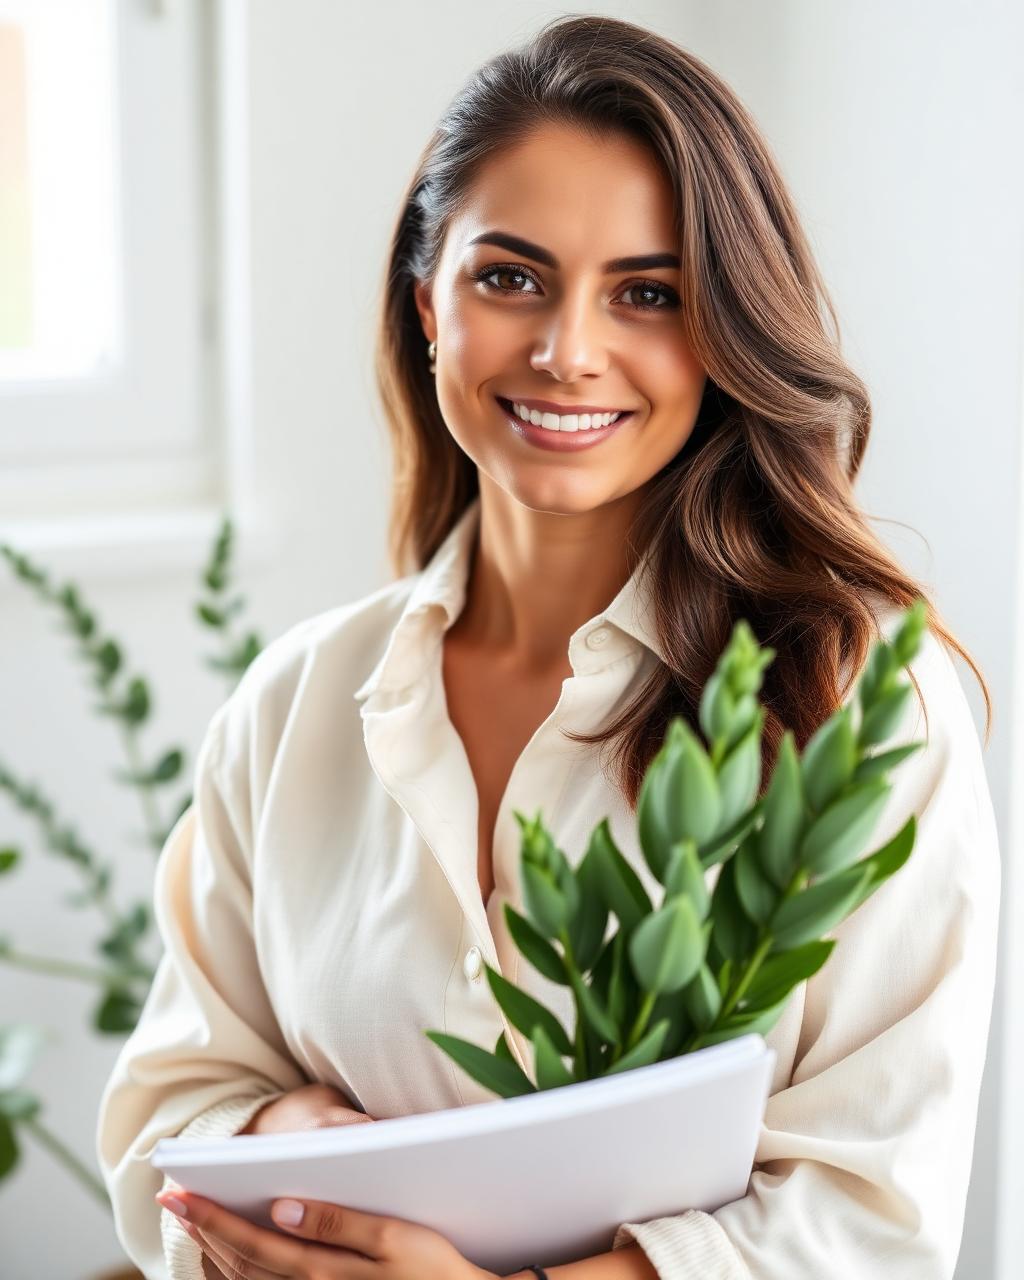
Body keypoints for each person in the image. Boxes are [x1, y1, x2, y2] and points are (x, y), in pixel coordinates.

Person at [96, 14, 1000, 1279]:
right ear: (427, 304)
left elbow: (872, 1218)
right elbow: (167, 1104)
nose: (566, 349)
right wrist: (285, 1152)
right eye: (508, 277)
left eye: (646, 293)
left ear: (725, 331)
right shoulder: (294, 704)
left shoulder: (856, 706)